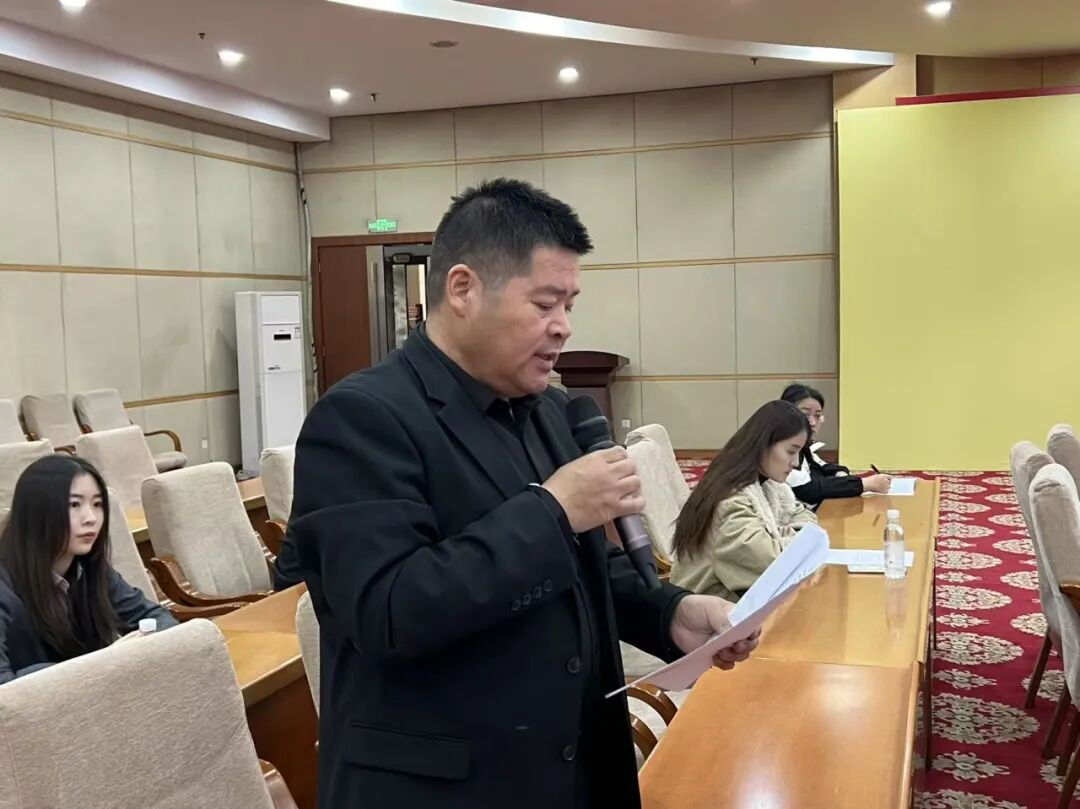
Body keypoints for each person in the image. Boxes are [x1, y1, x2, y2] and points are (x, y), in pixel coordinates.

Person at [290, 178, 757, 809]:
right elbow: (388, 612)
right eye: (544, 304)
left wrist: (671, 613)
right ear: (463, 289)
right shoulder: (361, 418)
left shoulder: (547, 412)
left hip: (570, 770)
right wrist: (554, 510)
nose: (563, 327)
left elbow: (586, 570)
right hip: (444, 788)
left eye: (570, 305)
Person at [0, 455, 177, 684]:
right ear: (36, 512)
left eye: (97, 504)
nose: (91, 518)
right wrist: (99, 664)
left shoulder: (90, 568)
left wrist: (119, 656)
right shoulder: (5, 586)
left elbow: (158, 619)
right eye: (74, 505)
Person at [669, 400, 819, 601]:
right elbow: (775, 565)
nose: (796, 462)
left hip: (737, 606)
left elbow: (801, 512)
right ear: (763, 444)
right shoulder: (729, 501)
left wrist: (785, 537)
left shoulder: (767, 485)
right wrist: (798, 538)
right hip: (711, 617)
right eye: (791, 451)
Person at [780, 383, 891, 506]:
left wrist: (842, 477)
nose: (812, 422)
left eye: (817, 416)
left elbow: (824, 468)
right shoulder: (780, 447)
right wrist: (865, 484)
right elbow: (807, 489)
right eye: (805, 415)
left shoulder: (804, 446)